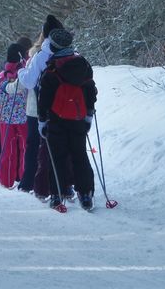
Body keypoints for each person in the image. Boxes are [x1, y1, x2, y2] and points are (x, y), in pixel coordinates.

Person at [37, 28, 97, 211]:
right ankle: (85, 194)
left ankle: (57, 196)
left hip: (56, 119)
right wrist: (88, 115)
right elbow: (91, 92)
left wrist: (42, 120)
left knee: (57, 157)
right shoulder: (83, 66)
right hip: (78, 118)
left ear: (53, 47)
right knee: (80, 154)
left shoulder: (52, 68)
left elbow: (44, 98)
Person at [17, 15, 62, 198]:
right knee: (55, 146)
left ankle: (29, 182)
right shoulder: (66, 51)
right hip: (60, 106)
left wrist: (20, 71)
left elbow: (28, 81)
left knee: (34, 145)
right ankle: (59, 184)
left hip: (36, 107)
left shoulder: (36, 54)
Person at [0, 43, 28, 188]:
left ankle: (6, 179)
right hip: (22, 116)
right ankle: (24, 178)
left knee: (7, 148)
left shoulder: (2, 75)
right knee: (25, 148)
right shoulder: (24, 72)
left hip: (4, 117)